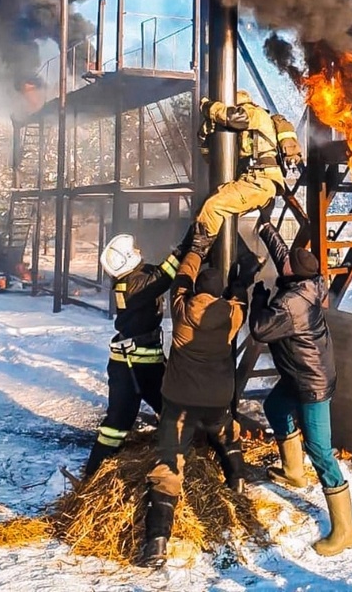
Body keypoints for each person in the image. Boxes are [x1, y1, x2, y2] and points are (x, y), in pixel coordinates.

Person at [249, 218, 352, 557]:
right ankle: (294, 472)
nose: (284, 262)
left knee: (321, 451)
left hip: (311, 382)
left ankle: (346, 529)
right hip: (301, 373)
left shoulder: (290, 304)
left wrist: (257, 298)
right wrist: (265, 225)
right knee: (275, 408)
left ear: (293, 274)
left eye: (287, 264)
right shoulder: (309, 282)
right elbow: (285, 255)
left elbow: (260, 330)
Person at [140, 231, 247, 568]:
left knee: (169, 463)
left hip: (180, 401)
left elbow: (182, 280)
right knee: (225, 431)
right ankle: (237, 480)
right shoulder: (232, 315)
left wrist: (196, 250)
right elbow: (240, 301)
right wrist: (239, 286)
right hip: (217, 398)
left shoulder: (182, 309)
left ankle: (157, 542)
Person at [84, 232, 188, 480]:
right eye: (135, 249)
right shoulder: (136, 285)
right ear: (128, 259)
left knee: (169, 406)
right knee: (118, 423)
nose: (140, 250)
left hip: (141, 363)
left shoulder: (131, 280)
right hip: (134, 367)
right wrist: (186, 247)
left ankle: (173, 451)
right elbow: (163, 277)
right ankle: (93, 473)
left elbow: (154, 273)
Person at [194, 90, 301, 242]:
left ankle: (193, 256)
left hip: (261, 180)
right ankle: (249, 259)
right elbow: (211, 159)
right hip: (251, 179)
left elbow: (233, 117)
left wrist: (208, 107)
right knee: (214, 219)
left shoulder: (254, 113)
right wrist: (205, 135)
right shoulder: (240, 132)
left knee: (213, 208)